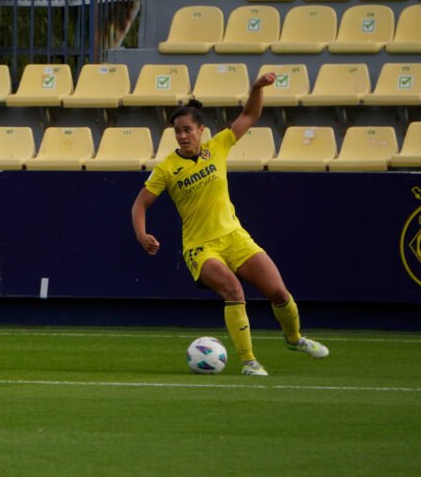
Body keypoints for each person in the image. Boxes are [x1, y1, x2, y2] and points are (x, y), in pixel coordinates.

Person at [131, 72, 329, 376]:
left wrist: (256, 88)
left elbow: (250, 114)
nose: (182, 136)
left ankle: (295, 339)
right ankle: (249, 361)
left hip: (235, 237)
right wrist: (142, 235)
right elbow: (140, 204)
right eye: (177, 132)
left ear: (201, 130)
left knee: (279, 292)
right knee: (234, 291)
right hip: (200, 247)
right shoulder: (167, 169)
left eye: (187, 130)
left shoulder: (219, 145)